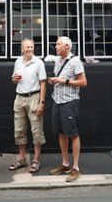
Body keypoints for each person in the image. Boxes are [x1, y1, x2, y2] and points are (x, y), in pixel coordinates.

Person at [47, 36, 87, 182]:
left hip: (70, 102)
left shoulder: (75, 61)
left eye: (58, 44)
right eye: (56, 44)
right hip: (57, 100)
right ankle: (65, 163)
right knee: (61, 133)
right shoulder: (58, 60)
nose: (56, 46)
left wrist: (65, 81)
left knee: (73, 134)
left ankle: (75, 168)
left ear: (67, 46)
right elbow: (60, 78)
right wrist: (54, 81)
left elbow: (83, 82)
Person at [8, 39, 47, 174]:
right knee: (19, 130)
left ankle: (36, 160)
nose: (30, 49)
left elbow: (43, 83)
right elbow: (13, 79)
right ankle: (22, 159)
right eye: (27, 47)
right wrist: (15, 79)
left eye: (31, 47)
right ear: (22, 49)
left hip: (34, 97)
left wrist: (42, 102)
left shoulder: (38, 63)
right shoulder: (18, 61)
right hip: (19, 98)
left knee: (36, 131)